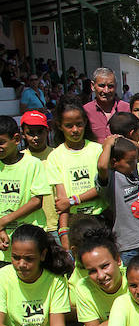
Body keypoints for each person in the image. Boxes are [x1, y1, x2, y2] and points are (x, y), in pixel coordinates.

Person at [48, 97, 105, 250]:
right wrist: (64, 233)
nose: (75, 130)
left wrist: (74, 200)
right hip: (74, 223)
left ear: (85, 123)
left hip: (100, 219)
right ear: (59, 126)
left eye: (79, 124)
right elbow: (62, 202)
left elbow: (102, 187)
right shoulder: (55, 156)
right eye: (68, 126)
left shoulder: (98, 150)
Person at [96, 135, 139, 264]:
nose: (135, 164)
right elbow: (102, 167)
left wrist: (122, 139)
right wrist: (108, 145)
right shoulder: (112, 178)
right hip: (128, 244)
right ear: (114, 162)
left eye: (135, 160)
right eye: (130, 161)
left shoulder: (131, 171)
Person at [0, 116, 49, 263]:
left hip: (30, 238)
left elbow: (36, 201)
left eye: (1, 142)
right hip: (3, 240)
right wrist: (1, 229)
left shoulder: (32, 164)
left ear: (16, 139)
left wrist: (5, 220)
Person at [20, 111, 57, 240]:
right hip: (30, 225)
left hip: (57, 224)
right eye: (30, 133)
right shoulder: (19, 159)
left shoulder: (57, 155)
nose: (36, 137)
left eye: (40, 132)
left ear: (47, 131)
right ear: (23, 134)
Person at [83, 68, 130, 142]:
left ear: (116, 86)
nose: (106, 91)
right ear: (92, 86)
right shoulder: (85, 111)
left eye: (110, 86)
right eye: (101, 86)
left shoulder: (127, 109)